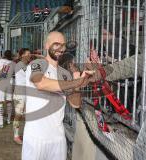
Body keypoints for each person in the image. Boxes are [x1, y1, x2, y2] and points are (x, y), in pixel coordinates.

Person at [22, 31, 94, 160]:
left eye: (63, 45)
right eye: (56, 44)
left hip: (58, 137)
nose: (61, 49)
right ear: (46, 45)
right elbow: (41, 84)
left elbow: (75, 103)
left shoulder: (65, 73)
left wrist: (78, 84)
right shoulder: (36, 64)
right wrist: (74, 82)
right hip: (35, 137)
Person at [12, 48, 31, 144]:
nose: (29, 55)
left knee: (27, 115)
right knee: (18, 115)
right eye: (27, 54)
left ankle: (25, 134)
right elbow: (30, 76)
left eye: (30, 54)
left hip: (27, 93)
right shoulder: (20, 65)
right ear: (22, 55)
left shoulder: (27, 65)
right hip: (20, 93)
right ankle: (16, 136)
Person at [0, 50, 15, 128]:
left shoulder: (1, 60)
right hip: (10, 82)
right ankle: (9, 120)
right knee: (9, 102)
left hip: (2, 82)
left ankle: (1, 123)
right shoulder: (13, 63)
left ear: (4, 55)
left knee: (0, 102)